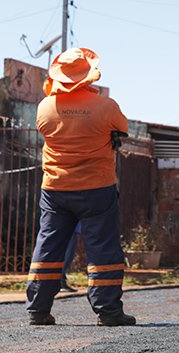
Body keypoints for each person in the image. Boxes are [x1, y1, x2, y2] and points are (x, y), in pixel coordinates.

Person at [25, 48, 135, 327]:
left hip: (55, 189)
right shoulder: (106, 106)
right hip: (97, 187)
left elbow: (46, 131)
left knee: (48, 244)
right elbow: (123, 128)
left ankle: (38, 310)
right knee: (103, 247)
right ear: (88, 74)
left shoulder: (45, 107)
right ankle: (108, 311)